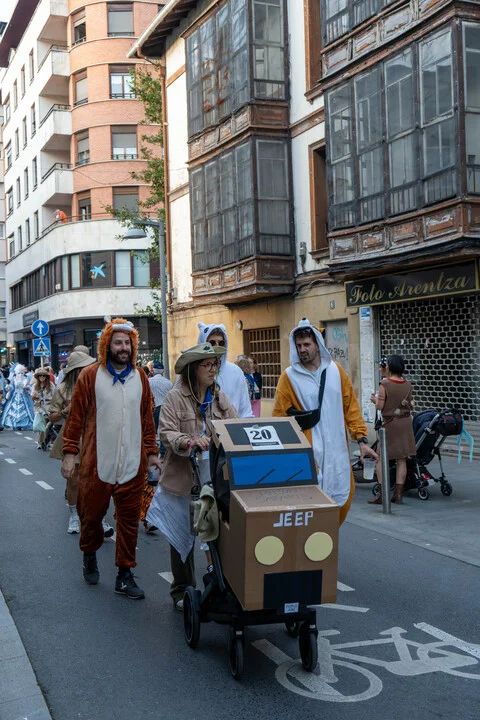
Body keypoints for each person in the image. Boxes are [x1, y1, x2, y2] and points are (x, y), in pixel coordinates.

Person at [61, 317, 161, 599]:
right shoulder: (90, 376)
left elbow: (147, 420)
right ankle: (89, 554)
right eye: (118, 342)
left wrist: (152, 453)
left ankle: (124, 575)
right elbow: (75, 419)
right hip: (97, 464)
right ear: (107, 345)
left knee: (129, 522)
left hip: (132, 464)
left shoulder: (140, 377)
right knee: (91, 517)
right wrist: (70, 454)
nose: (123, 348)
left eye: (127, 342)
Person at [148, 342, 238, 610]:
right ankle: (182, 590)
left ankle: (221, 583)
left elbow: (235, 424)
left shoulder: (219, 396)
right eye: (207, 365)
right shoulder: (175, 397)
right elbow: (166, 432)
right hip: (183, 477)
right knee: (182, 538)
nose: (213, 370)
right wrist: (189, 442)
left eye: (215, 364)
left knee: (218, 532)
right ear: (192, 369)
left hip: (215, 476)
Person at [273, 319, 378, 524]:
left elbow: (351, 408)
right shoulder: (288, 378)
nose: (302, 350)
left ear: (317, 344)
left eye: (307, 344)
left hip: (337, 451)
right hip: (308, 453)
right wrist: (295, 453)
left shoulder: (336, 371)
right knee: (308, 507)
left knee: (341, 498)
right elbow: (280, 419)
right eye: (298, 345)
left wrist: (362, 441)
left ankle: (327, 539)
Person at [50, 351, 96, 533]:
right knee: (74, 480)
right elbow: (52, 417)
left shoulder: (96, 385)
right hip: (72, 437)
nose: (89, 369)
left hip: (94, 436)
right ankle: (74, 516)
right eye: (85, 367)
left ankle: (94, 515)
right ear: (77, 370)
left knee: (94, 479)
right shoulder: (62, 389)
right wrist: (65, 411)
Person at [369, 355, 416, 505]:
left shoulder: (385, 384)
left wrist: (374, 400)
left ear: (390, 366)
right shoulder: (407, 384)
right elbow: (411, 404)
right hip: (405, 423)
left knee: (379, 457)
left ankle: (382, 493)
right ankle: (398, 495)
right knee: (401, 459)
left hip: (390, 424)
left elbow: (380, 406)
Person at [197, 322, 253, 418]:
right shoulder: (192, 371)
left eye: (221, 343)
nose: (217, 346)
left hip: (231, 425)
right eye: (212, 343)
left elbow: (245, 410)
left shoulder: (236, 372)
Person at [2, 365, 35, 431]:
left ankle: (24, 424)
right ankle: (15, 424)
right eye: (18, 373)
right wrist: (8, 387)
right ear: (16, 373)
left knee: (26, 410)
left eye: (21, 373)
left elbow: (30, 387)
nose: (20, 374)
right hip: (15, 396)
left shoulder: (26, 378)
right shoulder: (14, 378)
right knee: (12, 410)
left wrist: (27, 388)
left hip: (24, 396)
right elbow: (11, 386)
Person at [31, 368, 55, 449]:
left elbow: (55, 396)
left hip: (49, 407)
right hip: (39, 407)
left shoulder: (51, 385)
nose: (42, 377)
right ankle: (40, 442)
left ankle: (46, 441)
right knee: (40, 424)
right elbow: (32, 396)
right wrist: (34, 397)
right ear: (38, 377)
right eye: (40, 376)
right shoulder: (35, 386)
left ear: (46, 377)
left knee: (48, 426)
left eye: (43, 376)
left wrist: (49, 399)